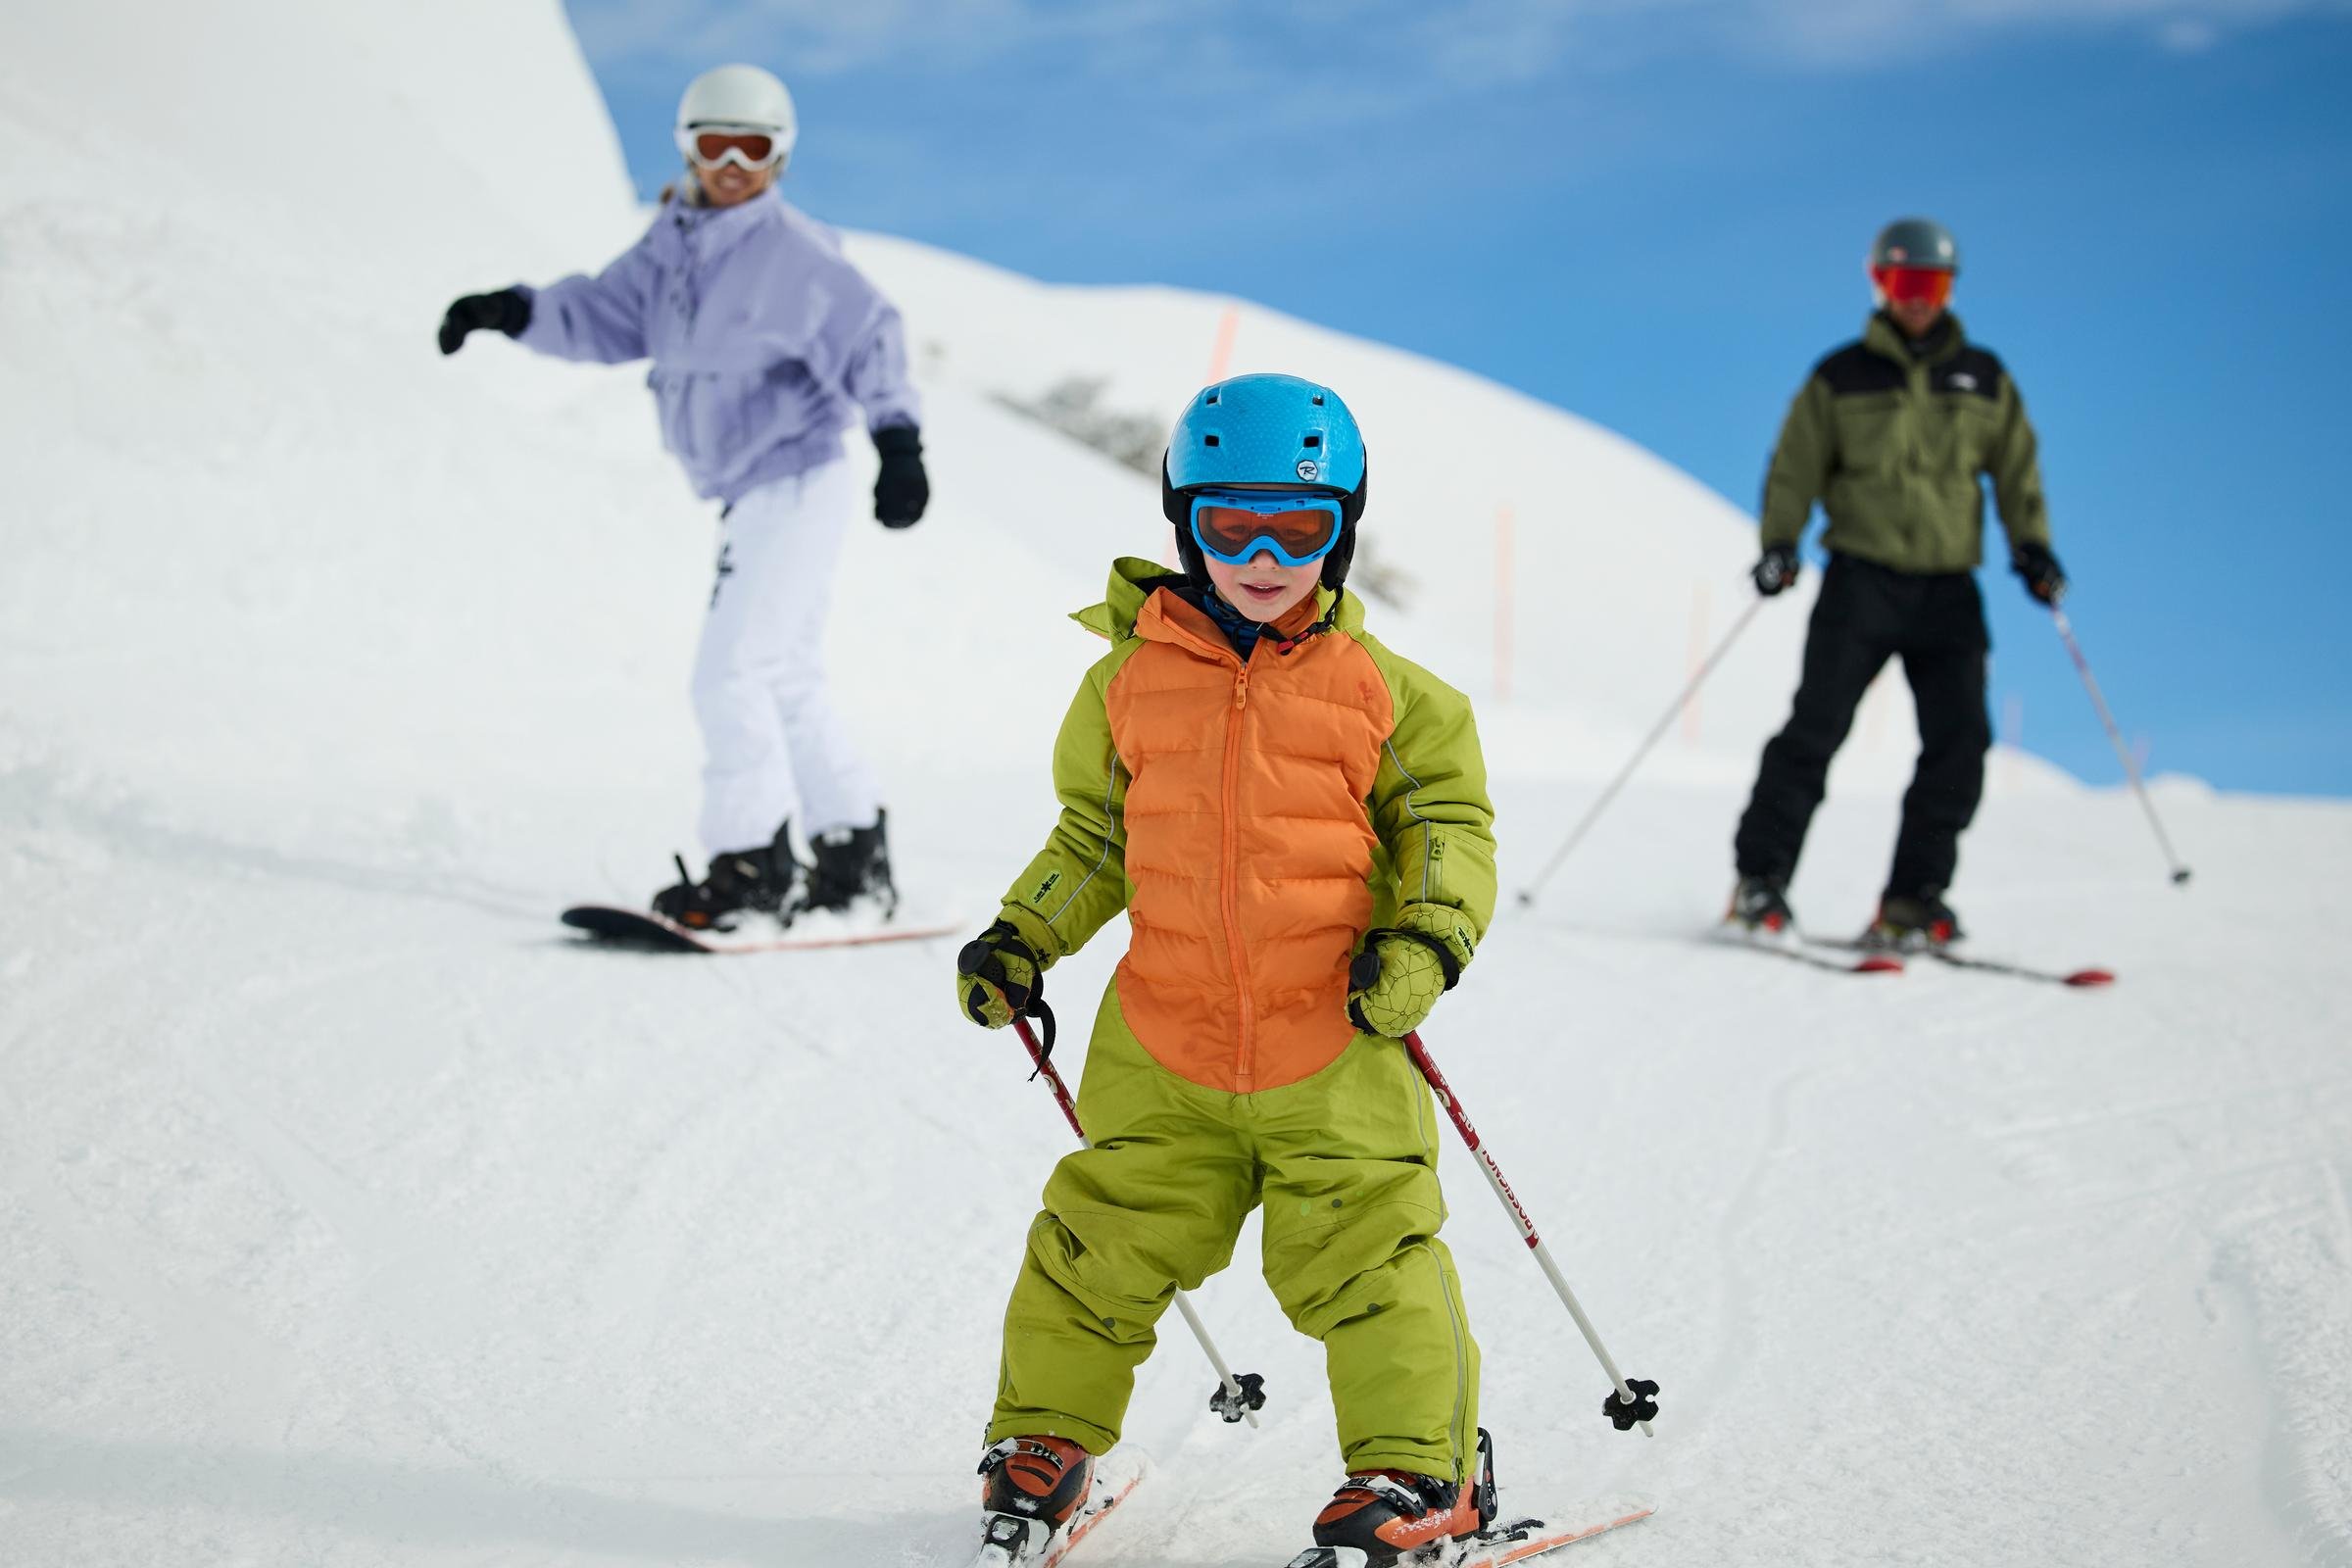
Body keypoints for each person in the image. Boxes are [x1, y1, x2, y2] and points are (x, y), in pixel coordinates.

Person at [951, 373, 1504, 1566]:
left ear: (1342, 531)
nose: (1262, 557)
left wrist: (1423, 939)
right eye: (1228, 523)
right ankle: (1046, 1438)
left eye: (1297, 528)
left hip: (1338, 1045)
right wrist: (1022, 935)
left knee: (1370, 1257)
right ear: (1182, 523)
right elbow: (1095, 839)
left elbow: (1447, 828)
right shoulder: (1123, 684)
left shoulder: (1392, 694)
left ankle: (1420, 1469)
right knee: (1096, 1242)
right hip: (1166, 1044)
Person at [437, 64, 926, 930]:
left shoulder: (796, 255)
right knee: (782, 672)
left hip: (795, 475)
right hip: (752, 490)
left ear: (780, 157)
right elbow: (601, 316)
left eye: (753, 148)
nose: (733, 165)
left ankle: (752, 869)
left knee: (730, 673)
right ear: (688, 148)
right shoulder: (671, 249)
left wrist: (898, 443)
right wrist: (510, 310)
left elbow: (871, 338)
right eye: (715, 145)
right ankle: (852, 855)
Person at [1730, 218, 2066, 950]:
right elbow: (1794, 466)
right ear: (1879, 283)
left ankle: (1913, 900)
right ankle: (1759, 884)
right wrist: (1780, 543)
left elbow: (2016, 468)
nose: (1918, 298)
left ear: (1950, 290)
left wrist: (2033, 546)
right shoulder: (1841, 376)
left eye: (1932, 284)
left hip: (1948, 588)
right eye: (1904, 282)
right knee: (1815, 730)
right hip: (1861, 581)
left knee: (1961, 741)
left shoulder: (1983, 378)